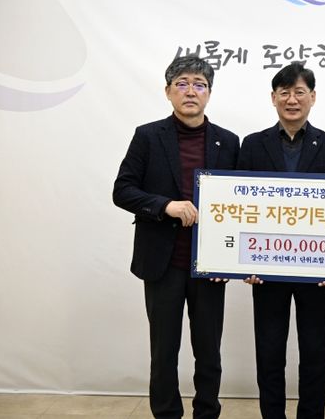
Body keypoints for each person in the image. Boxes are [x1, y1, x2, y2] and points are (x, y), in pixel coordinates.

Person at [113, 55, 239, 419]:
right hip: (162, 262)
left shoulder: (228, 142)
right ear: (168, 91)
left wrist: (232, 261)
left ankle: (206, 412)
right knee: (164, 350)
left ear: (209, 93)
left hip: (210, 264)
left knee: (209, 351)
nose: (190, 91)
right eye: (182, 83)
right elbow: (123, 190)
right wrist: (165, 205)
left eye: (199, 84)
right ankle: (167, 413)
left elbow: (241, 202)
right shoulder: (148, 136)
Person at [236, 62, 325, 419]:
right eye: (284, 92)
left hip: (317, 269)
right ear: (273, 98)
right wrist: (243, 261)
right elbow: (241, 207)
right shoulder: (253, 145)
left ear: (312, 97)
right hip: (265, 269)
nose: (292, 99)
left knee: (315, 352)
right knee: (269, 352)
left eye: (299, 92)